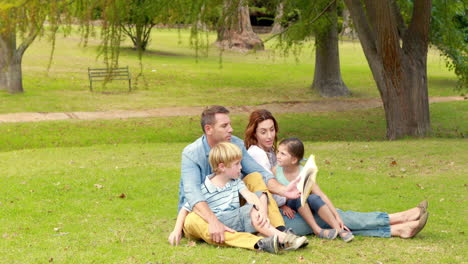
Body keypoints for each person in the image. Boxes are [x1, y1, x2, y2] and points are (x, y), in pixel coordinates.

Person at [244, 109, 429, 238]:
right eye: (263, 132)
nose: (269, 135)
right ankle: (398, 219)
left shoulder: (269, 152)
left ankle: (398, 230)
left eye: (272, 130)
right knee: (332, 218)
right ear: (254, 133)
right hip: (278, 219)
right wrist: (284, 202)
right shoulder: (256, 153)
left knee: (332, 219)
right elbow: (265, 189)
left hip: (289, 210)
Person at [173, 105, 302, 251]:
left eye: (230, 124)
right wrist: (213, 221)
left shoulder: (236, 143)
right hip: (201, 213)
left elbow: (260, 173)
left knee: (254, 177)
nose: (231, 129)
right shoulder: (191, 154)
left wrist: (282, 191)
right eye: (224, 126)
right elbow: (192, 195)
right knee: (193, 220)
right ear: (209, 129)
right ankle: (259, 243)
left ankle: (280, 230)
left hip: (232, 206)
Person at [169, 142, 309, 253]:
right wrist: (176, 230)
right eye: (237, 164)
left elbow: (249, 196)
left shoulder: (235, 182)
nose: (241, 167)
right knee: (249, 212)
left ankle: (277, 236)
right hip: (218, 224)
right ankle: (283, 239)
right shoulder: (204, 188)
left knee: (252, 209)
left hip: (235, 220)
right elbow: (185, 209)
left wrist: (260, 209)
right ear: (222, 167)